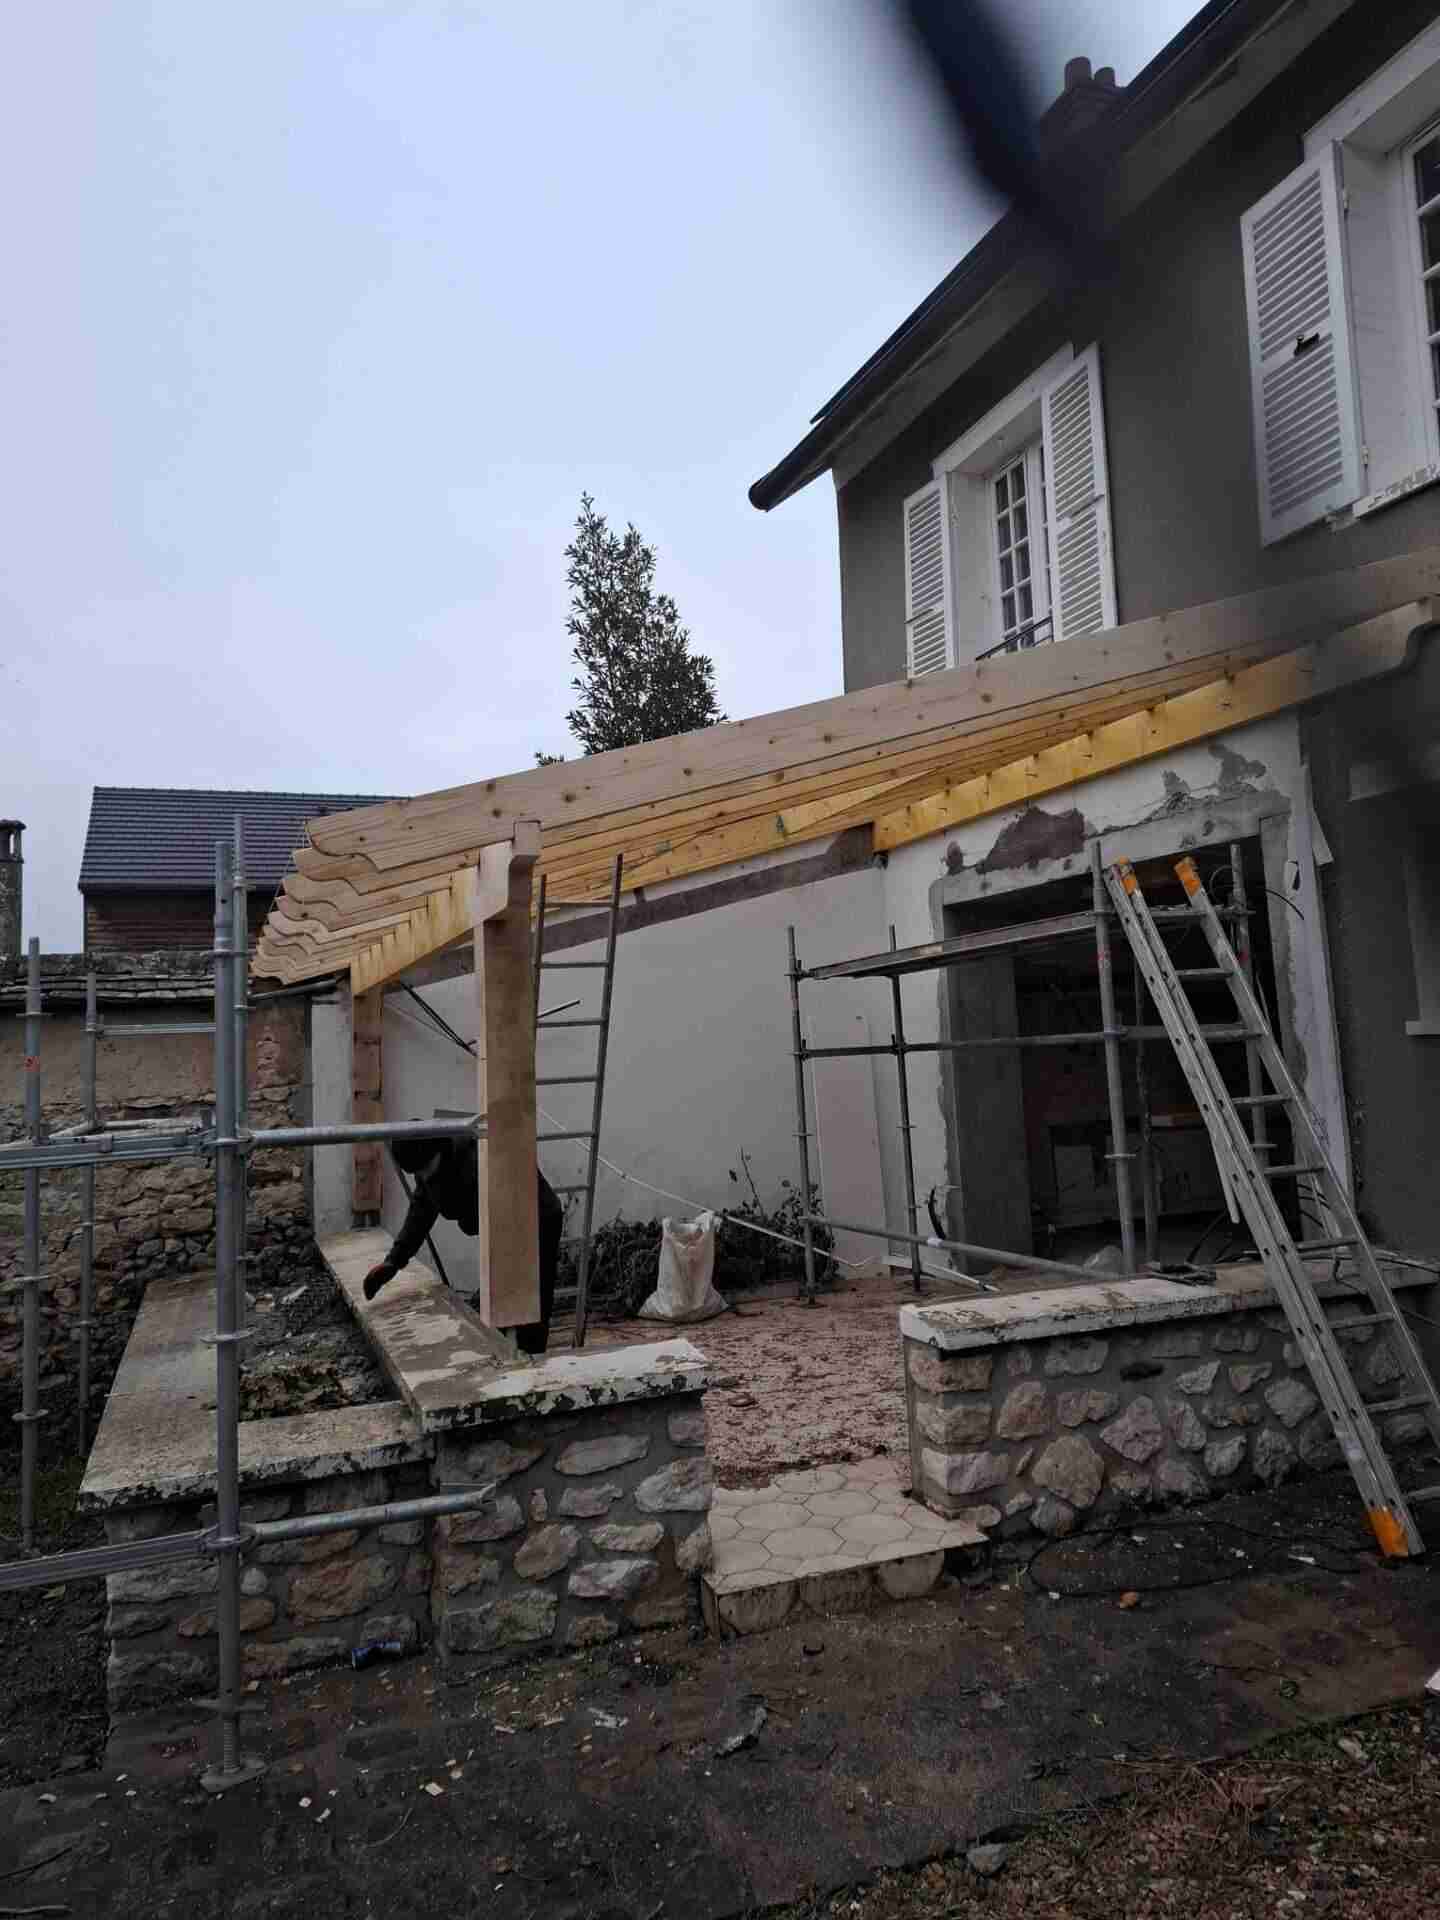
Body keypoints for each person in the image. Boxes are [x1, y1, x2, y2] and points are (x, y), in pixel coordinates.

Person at [362, 1133, 562, 1356]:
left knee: (531, 1303)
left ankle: (532, 1362)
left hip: (537, 1218)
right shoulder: (432, 1161)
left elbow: (474, 1220)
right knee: (501, 1304)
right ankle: (506, 1353)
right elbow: (421, 1212)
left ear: (438, 1150)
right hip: (501, 1222)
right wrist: (394, 1261)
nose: (423, 1176)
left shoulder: (478, 1164)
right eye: (418, 1173)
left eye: (425, 1169)